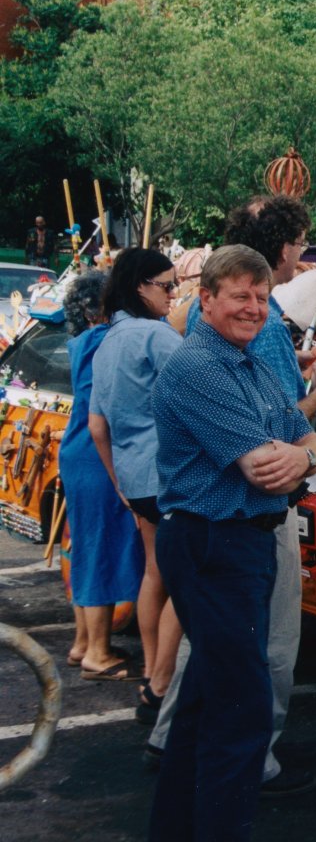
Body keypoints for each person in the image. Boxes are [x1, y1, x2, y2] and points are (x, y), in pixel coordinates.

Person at [148, 195, 316, 795]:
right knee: (256, 673)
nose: (255, 307)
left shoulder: (246, 352)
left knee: (217, 666)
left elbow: (293, 434)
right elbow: (267, 459)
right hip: (226, 531)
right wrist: (315, 416)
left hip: (227, 534)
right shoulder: (211, 361)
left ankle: (179, 749)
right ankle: (249, 762)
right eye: (241, 297)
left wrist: (306, 449)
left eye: (260, 298)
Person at [89, 248, 183, 723]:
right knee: (185, 578)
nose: (173, 294)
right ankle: (161, 682)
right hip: (169, 476)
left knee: (156, 572)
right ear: (140, 286)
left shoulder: (109, 340)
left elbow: (97, 427)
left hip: (134, 476)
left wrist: (120, 484)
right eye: (167, 285)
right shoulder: (156, 337)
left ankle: (151, 670)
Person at [62, 270, 145, 680]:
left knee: (87, 546)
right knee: (100, 551)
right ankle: (97, 652)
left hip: (79, 453)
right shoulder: (101, 339)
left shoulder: (80, 341)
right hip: (98, 456)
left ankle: (82, 643)